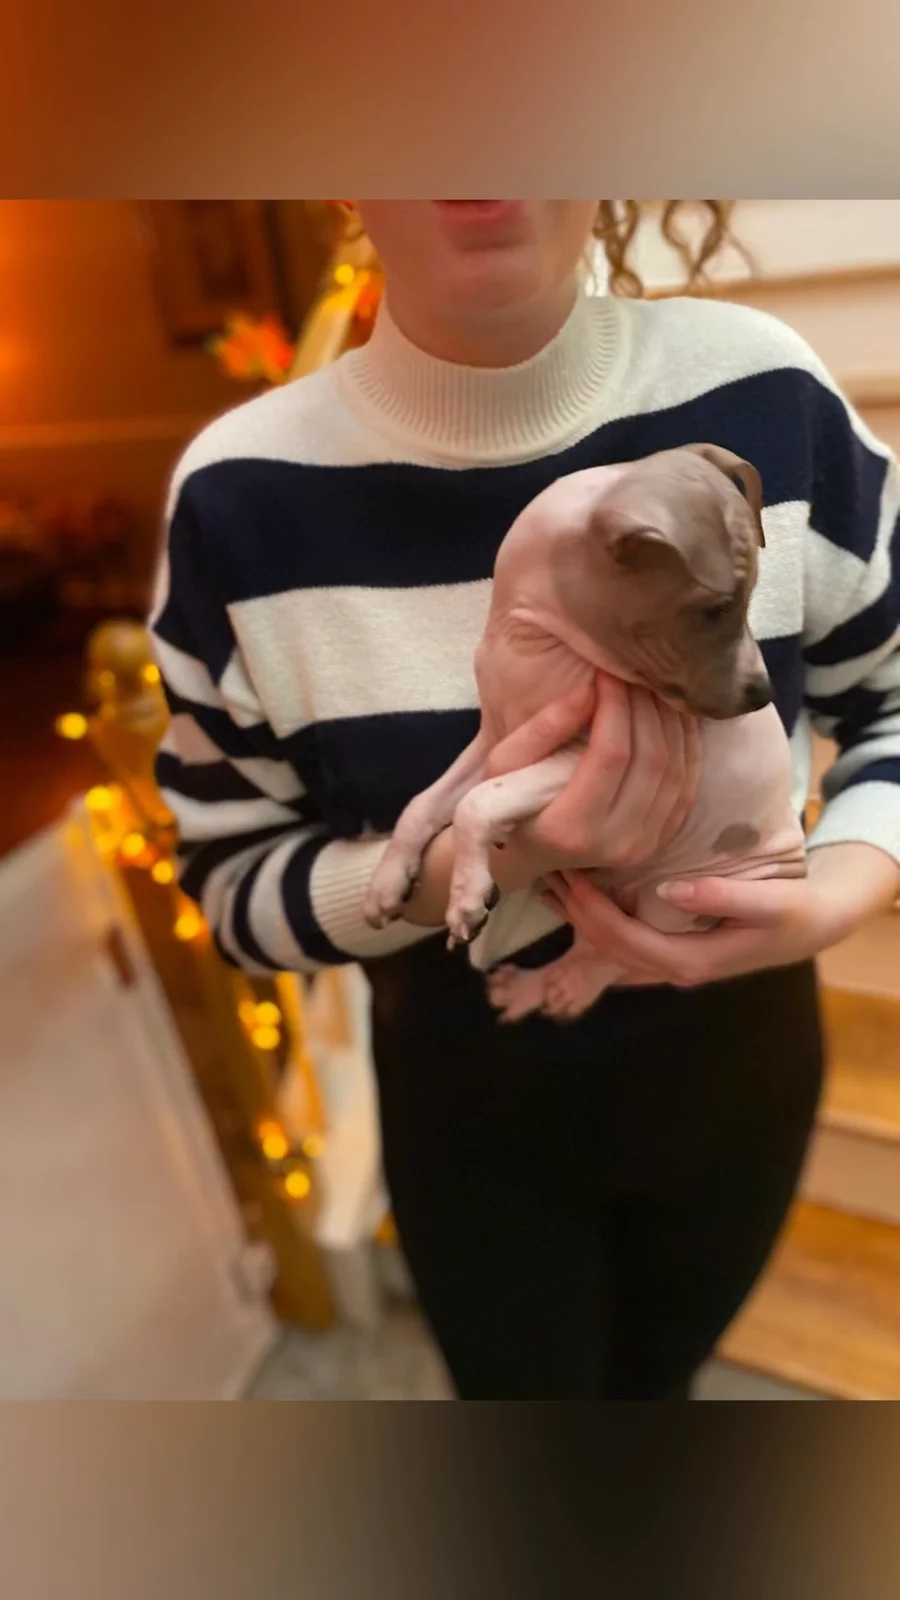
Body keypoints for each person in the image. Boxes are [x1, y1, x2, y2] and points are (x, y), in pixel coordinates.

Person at [150, 201, 900, 1399]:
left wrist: (838, 892)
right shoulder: (240, 500)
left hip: (741, 1075)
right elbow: (229, 888)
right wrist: (461, 868)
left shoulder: (765, 393)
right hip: (470, 1113)